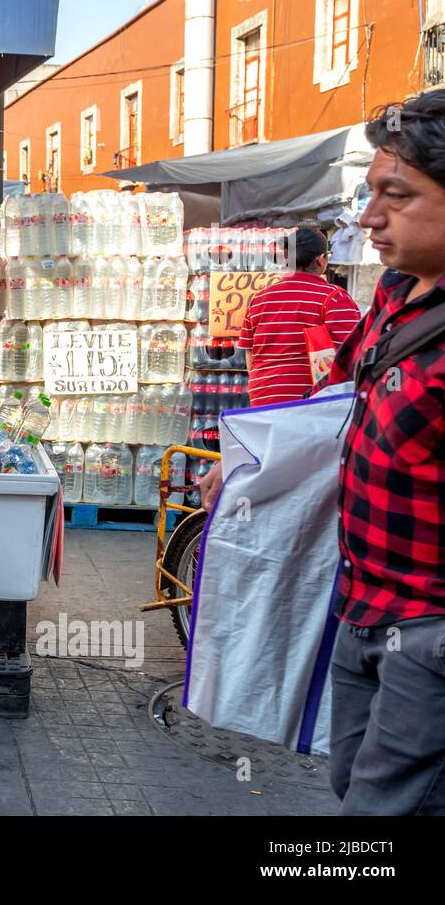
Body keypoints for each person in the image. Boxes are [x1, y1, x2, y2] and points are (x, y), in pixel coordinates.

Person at [201, 91, 445, 814]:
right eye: (371, 193)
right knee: (348, 781)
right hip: (363, 611)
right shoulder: (394, 296)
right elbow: (335, 392)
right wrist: (251, 460)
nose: (369, 217)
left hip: (430, 631)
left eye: (396, 195)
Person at [236, 228, 361, 406]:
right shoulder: (333, 297)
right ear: (321, 260)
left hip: (262, 399)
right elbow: (350, 352)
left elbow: (250, 353)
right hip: (310, 403)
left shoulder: (259, 298)